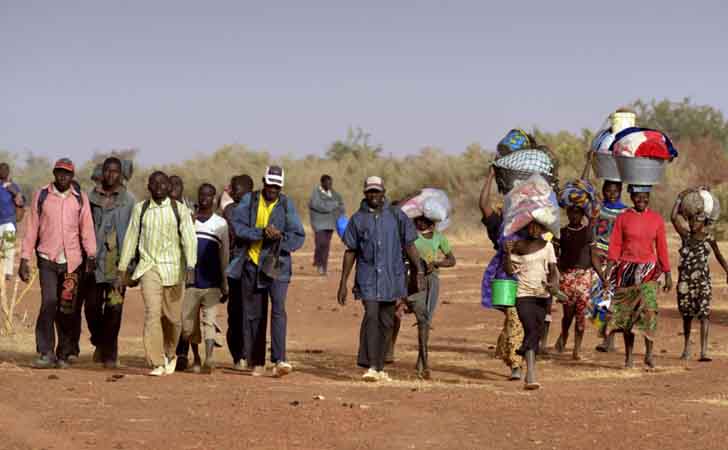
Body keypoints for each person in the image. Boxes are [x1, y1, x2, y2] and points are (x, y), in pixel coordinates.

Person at [337, 176, 422, 382]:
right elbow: (351, 251)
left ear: (384, 192)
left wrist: (418, 270)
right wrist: (343, 283)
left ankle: (380, 366)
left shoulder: (396, 216)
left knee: (387, 322)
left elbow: (409, 244)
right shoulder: (357, 219)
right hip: (368, 278)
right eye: (370, 192)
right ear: (365, 194)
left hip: (393, 278)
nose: (374, 195)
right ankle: (370, 365)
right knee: (371, 316)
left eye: (377, 191)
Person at [19, 158, 97, 369]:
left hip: (72, 262)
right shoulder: (42, 195)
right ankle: (45, 352)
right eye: (60, 172)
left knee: (66, 308)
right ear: (54, 173)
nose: (63, 176)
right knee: (49, 303)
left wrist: (91, 255)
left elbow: (87, 229)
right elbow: (32, 228)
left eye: (67, 173)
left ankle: (63, 353)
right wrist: (25, 257)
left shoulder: (79, 198)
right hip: (47, 259)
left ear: (72, 177)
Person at [118, 171, 197, 377]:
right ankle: (156, 361)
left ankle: (170, 353)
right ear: (149, 187)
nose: (159, 186)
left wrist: (190, 267)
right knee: (152, 313)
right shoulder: (140, 210)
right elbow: (131, 238)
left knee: (173, 319)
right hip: (148, 267)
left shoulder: (180, 210)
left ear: (169, 187)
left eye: (163, 183)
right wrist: (122, 268)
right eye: (155, 183)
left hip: (174, 269)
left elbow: (189, 240)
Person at [230, 166, 305, 377]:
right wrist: (261, 233)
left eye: (277, 186)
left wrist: (279, 237)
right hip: (252, 263)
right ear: (263, 182)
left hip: (277, 265)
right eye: (270, 185)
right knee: (254, 314)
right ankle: (257, 360)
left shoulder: (287, 204)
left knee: (278, 309)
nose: (273, 189)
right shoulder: (249, 201)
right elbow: (238, 227)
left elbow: (298, 235)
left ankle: (280, 359)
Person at [605, 185, 672, 369]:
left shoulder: (656, 219)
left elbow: (662, 247)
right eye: (638, 197)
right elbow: (615, 245)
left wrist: (667, 273)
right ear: (632, 197)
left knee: (650, 311)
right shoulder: (623, 218)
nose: (641, 200)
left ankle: (649, 355)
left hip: (649, 270)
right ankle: (628, 358)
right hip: (626, 270)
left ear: (649, 197)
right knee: (628, 316)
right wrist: (608, 271)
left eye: (645, 197)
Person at [82, 157, 137, 369]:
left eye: (115, 171)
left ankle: (110, 354)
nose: (110, 175)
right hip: (94, 262)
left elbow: (134, 232)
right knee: (92, 308)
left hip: (118, 264)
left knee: (114, 309)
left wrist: (131, 266)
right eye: (107, 171)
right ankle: (100, 341)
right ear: (101, 172)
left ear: (121, 174)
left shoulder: (129, 200)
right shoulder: (90, 197)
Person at [177, 183, 229, 373]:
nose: (204, 199)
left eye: (208, 195)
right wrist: (189, 223)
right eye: (202, 195)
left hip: (212, 282)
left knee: (209, 320)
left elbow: (224, 256)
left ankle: (209, 359)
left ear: (214, 198)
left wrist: (225, 282)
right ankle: (196, 359)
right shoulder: (190, 220)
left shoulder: (220, 224)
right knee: (188, 325)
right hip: (190, 281)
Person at [671, 188, 728, 362]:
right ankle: (686, 348)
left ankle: (704, 351)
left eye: (697, 220)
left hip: (702, 282)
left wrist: (727, 270)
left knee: (704, 314)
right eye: (690, 220)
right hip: (685, 283)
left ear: (704, 222)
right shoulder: (685, 236)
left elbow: (719, 255)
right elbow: (673, 218)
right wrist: (680, 196)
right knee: (687, 315)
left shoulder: (709, 238)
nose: (693, 223)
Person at [503, 220, 559, 390]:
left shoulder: (548, 246)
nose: (534, 230)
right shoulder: (517, 246)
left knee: (538, 330)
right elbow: (509, 271)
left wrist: (553, 284)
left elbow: (553, 270)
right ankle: (531, 374)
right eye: (531, 226)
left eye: (538, 226)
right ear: (525, 228)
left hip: (542, 295)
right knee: (530, 328)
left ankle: (526, 360)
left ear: (543, 228)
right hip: (523, 294)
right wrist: (507, 253)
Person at [480, 167, 523, 380]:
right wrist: (490, 176)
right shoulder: (500, 223)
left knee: (515, 318)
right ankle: (515, 363)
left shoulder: (529, 223)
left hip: (528, 274)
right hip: (504, 276)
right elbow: (484, 205)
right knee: (514, 317)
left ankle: (507, 351)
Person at [554, 205, 599, 360]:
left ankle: (577, 348)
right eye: (571, 213)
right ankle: (564, 334)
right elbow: (555, 257)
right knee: (568, 313)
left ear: (582, 215)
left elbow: (593, 256)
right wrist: (558, 273)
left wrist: (603, 277)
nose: (574, 216)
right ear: (566, 214)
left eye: (578, 213)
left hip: (584, 277)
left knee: (581, 314)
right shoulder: (562, 233)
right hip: (567, 277)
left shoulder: (588, 232)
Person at [222, 174, 254, 370]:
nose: (232, 191)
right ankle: (242, 354)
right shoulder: (239, 209)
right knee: (240, 313)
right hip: (237, 268)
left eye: (235, 189)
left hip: (245, 267)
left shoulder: (232, 210)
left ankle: (242, 355)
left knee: (239, 313)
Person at [592, 180, 627, 353]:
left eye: (614, 191)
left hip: (616, 258)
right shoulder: (598, 208)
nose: (611, 194)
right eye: (608, 190)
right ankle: (605, 335)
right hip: (598, 257)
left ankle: (609, 339)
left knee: (610, 298)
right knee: (598, 300)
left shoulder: (626, 211)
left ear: (620, 191)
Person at [308, 174, 345, 276]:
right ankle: (318, 262)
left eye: (331, 183)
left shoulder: (334, 193)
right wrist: (333, 205)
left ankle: (323, 267)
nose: (329, 185)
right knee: (320, 243)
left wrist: (340, 214)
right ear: (322, 183)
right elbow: (318, 205)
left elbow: (341, 205)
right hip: (318, 223)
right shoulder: (316, 193)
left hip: (330, 223)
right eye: (327, 183)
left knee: (326, 246)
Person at [0, 162, 25, 281]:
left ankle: (7, 272)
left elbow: (20, 202)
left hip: (9, 222)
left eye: (5, 170)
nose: (3, 172)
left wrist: (13, 191)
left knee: (8, 247)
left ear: (8, 172)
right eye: (1, 170)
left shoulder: (14, 186)